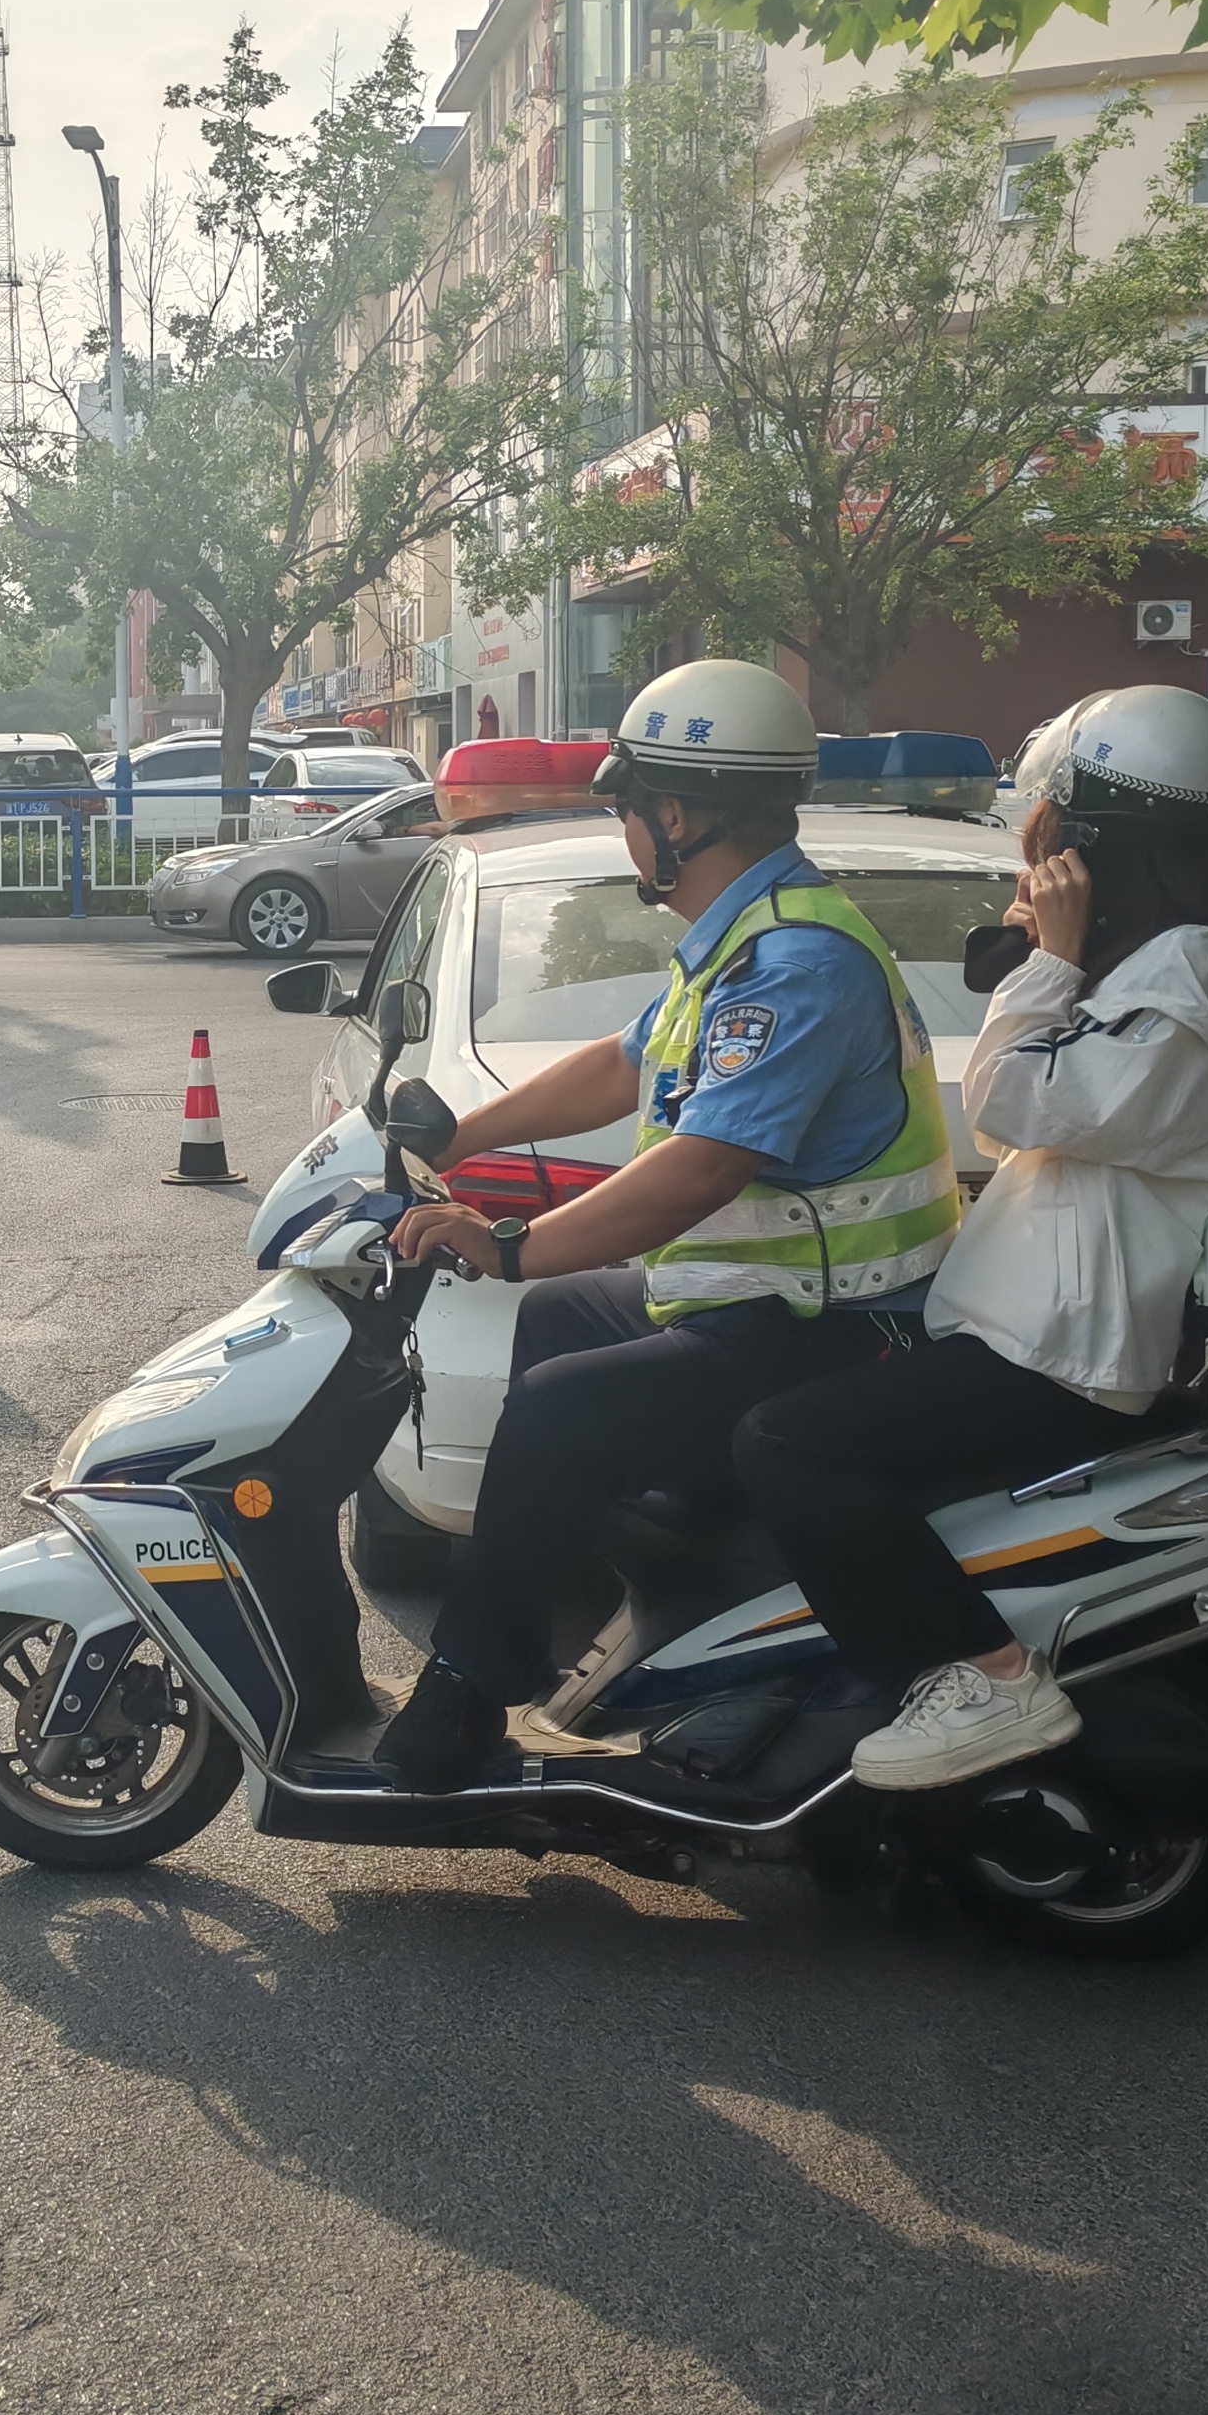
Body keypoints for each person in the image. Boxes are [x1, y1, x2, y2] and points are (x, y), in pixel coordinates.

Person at [368, 659, 964, 1793]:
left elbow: (697, 1171)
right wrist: (455, 1138)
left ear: (677, 818)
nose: (625, 830)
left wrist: (510, 1245)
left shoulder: (795, 964)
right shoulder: (744, 938)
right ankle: (695, 1577)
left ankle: (469, 1691)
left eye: (628, 808)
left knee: (557, 1406)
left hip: (838, 1323)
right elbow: (619, 1064)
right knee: (559, 1320)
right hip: (765, 1302)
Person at [727, 683, 1208, 1792]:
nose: (1032, 842)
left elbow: (1009, 1101)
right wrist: (1052, 954)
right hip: (1035, 1326)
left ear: (1095, 840)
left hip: (1069, 1353)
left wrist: (1052, 962)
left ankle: (985, 1678)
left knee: (787, 1444)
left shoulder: (1179, 978)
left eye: (1049, 825)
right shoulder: (1159, 956)